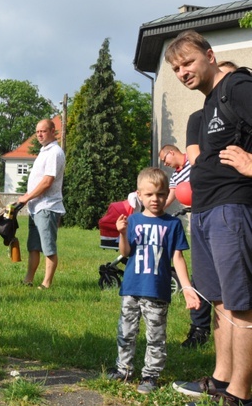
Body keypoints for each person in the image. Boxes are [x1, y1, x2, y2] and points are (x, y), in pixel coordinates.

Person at [166, 30, 252, 406]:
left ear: (210, 55)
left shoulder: (237, 85)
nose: (182, 72)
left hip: (232, 208)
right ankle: (221, 379)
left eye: (188, 62)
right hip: (203, 211)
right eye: (175, 68)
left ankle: (240, 393)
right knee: (218, 301)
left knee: (241, 303)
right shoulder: (209, 104)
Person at [107, 167, 200, 394]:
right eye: (149, 195)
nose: (155, 199)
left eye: (160, 194)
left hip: (157, 290)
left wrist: (187, 287)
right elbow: (126, 252)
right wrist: (121, 233)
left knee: (155, 336)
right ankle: (124, 369)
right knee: (126, 331)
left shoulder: (173, 224)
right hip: (131, 288)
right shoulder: (133, 220)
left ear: (167, 194)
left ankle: (150, 375)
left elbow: (177, 257)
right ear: (139, 195)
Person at [159, 143, 211, 348]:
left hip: (213, 213)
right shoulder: (175, 177)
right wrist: (153, 213)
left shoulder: (195, 160)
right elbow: (170, 198)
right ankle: (200, 328)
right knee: (201, 273)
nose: (166, 163)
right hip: (198, 219)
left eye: (165, 159)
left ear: (172, 152)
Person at [20, 119, 65, 289]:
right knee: (33, 247)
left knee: (48, 247)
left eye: (43, 131)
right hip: (36, 206)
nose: (39, 134)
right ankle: (28, 279)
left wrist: (27, 197)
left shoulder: (55, 152)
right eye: (37, 131)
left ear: (53, 131)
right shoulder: (44, 151)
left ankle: (46, 283)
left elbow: (47, 181)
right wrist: (28, 197)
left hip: (48, 206)